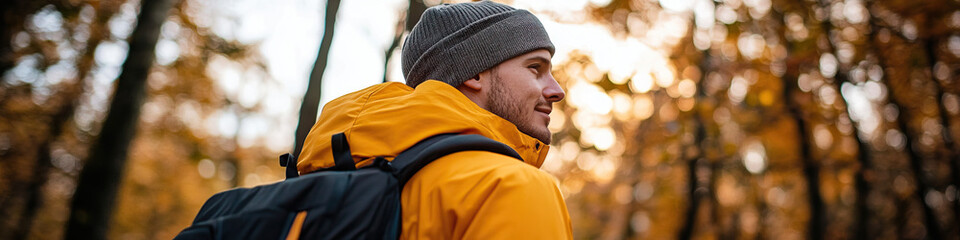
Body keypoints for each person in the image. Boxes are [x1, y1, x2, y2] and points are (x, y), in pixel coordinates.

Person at [296, 1, 572, 239]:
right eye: (535, 68)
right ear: (473, 74)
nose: (557, 91)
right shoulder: (508, 186)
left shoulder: (326, 181)